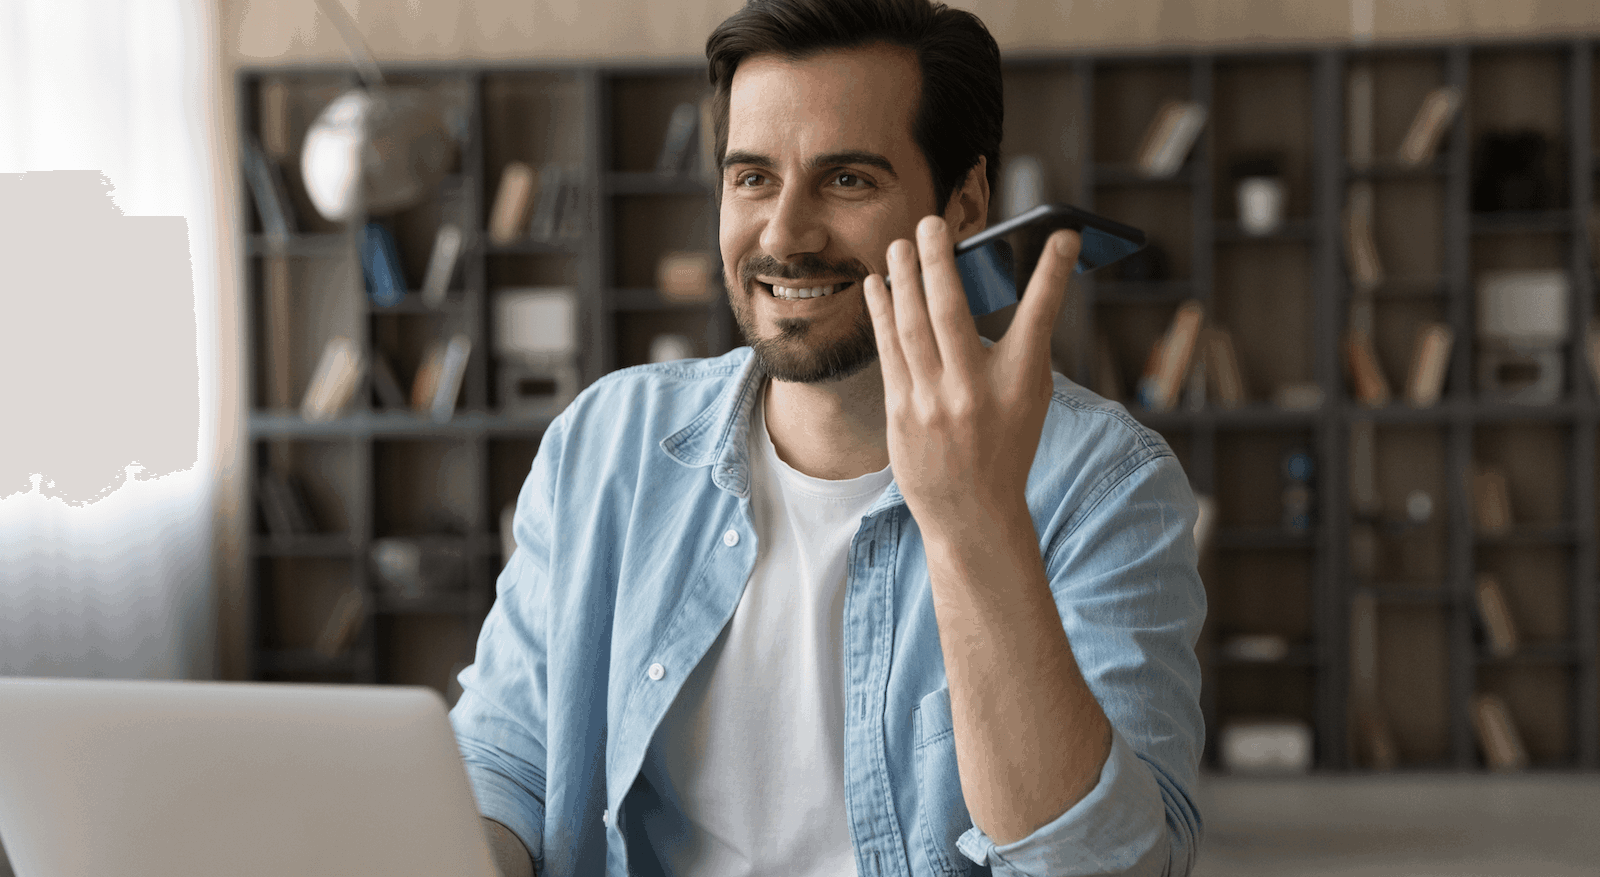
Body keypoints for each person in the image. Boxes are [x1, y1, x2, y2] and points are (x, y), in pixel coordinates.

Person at [449, 0, 1206, 875]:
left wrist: (974, 519)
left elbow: (1112, 866)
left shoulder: (1105, 483)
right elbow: (505, 760)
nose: (783, 235)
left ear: (964, 204)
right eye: (752, 178)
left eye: (847, 180)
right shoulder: (603, 442)